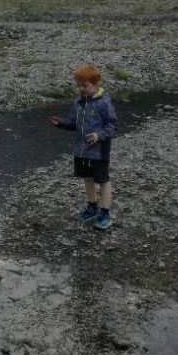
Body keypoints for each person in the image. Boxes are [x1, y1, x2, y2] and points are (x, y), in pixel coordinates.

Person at [49, 63, 118, 230]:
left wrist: (99, 135)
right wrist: (61, 123)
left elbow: (113, 126)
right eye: (79, 85)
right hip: (81, 151)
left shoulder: (103, 103)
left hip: (99, 152)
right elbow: (73, 124)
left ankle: (105, 213)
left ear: (96, 84)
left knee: (103, 181)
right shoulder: (78, 104)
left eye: (85, 85)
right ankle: (92, 207)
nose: (81, 89)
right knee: (88, 179)